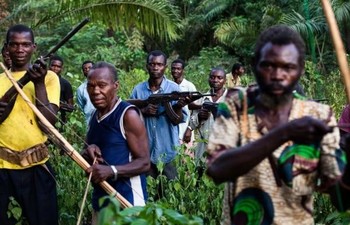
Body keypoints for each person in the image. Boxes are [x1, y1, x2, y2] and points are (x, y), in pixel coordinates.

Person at [206, 25, 348, 225]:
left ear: (300, 69)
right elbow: (217, 169)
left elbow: (341, 201)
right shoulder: (236, 106)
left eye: (288, 67)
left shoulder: (319, 116)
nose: (277, 75)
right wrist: (285, 133)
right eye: (268, 66)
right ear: (255, 65)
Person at [0, 24, 60, 225]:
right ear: (6, 48)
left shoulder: (50, 78)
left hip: (37, 165)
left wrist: (39, 83)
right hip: (2, 167)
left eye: (25, 45)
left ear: (34, 48)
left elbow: (48, 123)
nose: (20, 50)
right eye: (14, 45)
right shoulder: (0, 80)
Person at [81, 62, 150, 224]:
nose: (95, 91)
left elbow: (144, 163)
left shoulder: (127, 115)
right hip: (101, 203)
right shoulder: (94, 117)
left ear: (115, 85)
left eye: (102, 85)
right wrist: (88, 151)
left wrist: (111, 171)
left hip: (128, 204)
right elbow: (88, 152)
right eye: (90, 86)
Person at [130, 50, 188, 180]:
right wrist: (144, 111)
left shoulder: (174, 89)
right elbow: (129, 115)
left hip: (168, 152)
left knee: (170, 193)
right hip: (145, 153)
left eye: (159, 64)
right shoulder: (138, 90)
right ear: (147, 66)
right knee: (148, 195)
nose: (155, 67)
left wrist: (178, 106)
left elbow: (177, 120)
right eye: (152, 64)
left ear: (165, 67)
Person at [183, 68, 227, 161]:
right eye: (212, 77)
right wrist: (199, 117)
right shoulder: (202, 99)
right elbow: (192, 121)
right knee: (200, 171)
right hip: (203, 145)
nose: (215, 80)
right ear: (208, 79)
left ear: (225, 80)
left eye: (219, 78)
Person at [170, 58, 197, 143]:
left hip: (185, 130)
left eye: (178, 69)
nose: (175, 71)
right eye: (173, 68)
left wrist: (189, 129)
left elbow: (195, 111)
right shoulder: (168, 86)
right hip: (172, 130)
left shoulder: (189, 86)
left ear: (183, 70)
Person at [49, 55, 74, 124]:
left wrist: (59, 105)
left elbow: (71, 107)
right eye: (53, 66)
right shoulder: (41, 80)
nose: (55, 68)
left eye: (58, 67)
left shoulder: (65, 84)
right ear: (49, 66)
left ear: (61, 69)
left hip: (59, 120)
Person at [77, 60, 95, 125]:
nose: (87, 70)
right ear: (83, 72)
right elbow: (81, 108)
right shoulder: (80, 89)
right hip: (89, 121)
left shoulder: (104, 83)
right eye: (85, 69)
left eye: (90, 68)